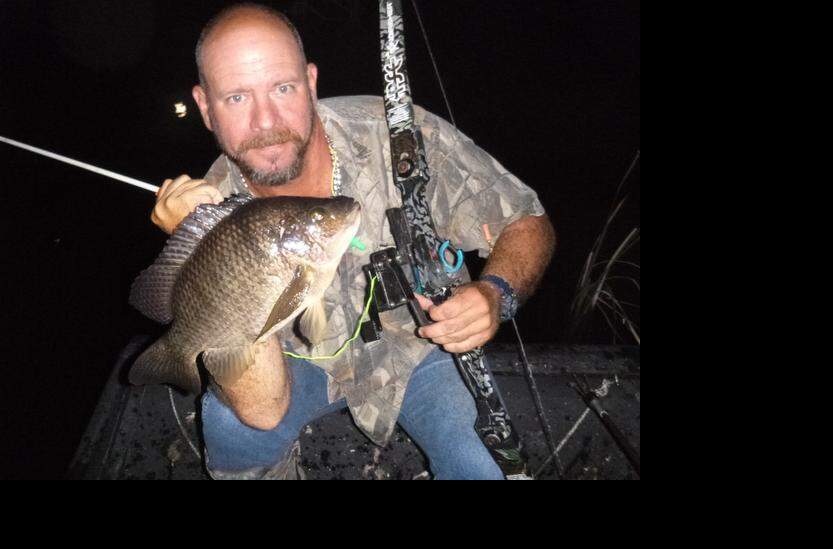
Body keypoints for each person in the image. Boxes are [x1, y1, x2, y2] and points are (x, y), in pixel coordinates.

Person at [150, 3, 555, 480]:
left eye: (283, 88)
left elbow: (526, 220)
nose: (264, 122)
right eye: (237, 98)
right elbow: (262, 408)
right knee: (232, 425)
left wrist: (495, 294)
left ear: (311, 81)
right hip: (296, 368)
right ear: (204, 107)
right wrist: (209, 245)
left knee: (486, 469)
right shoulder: (209, 212)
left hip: (420, 351)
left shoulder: (399, 137)